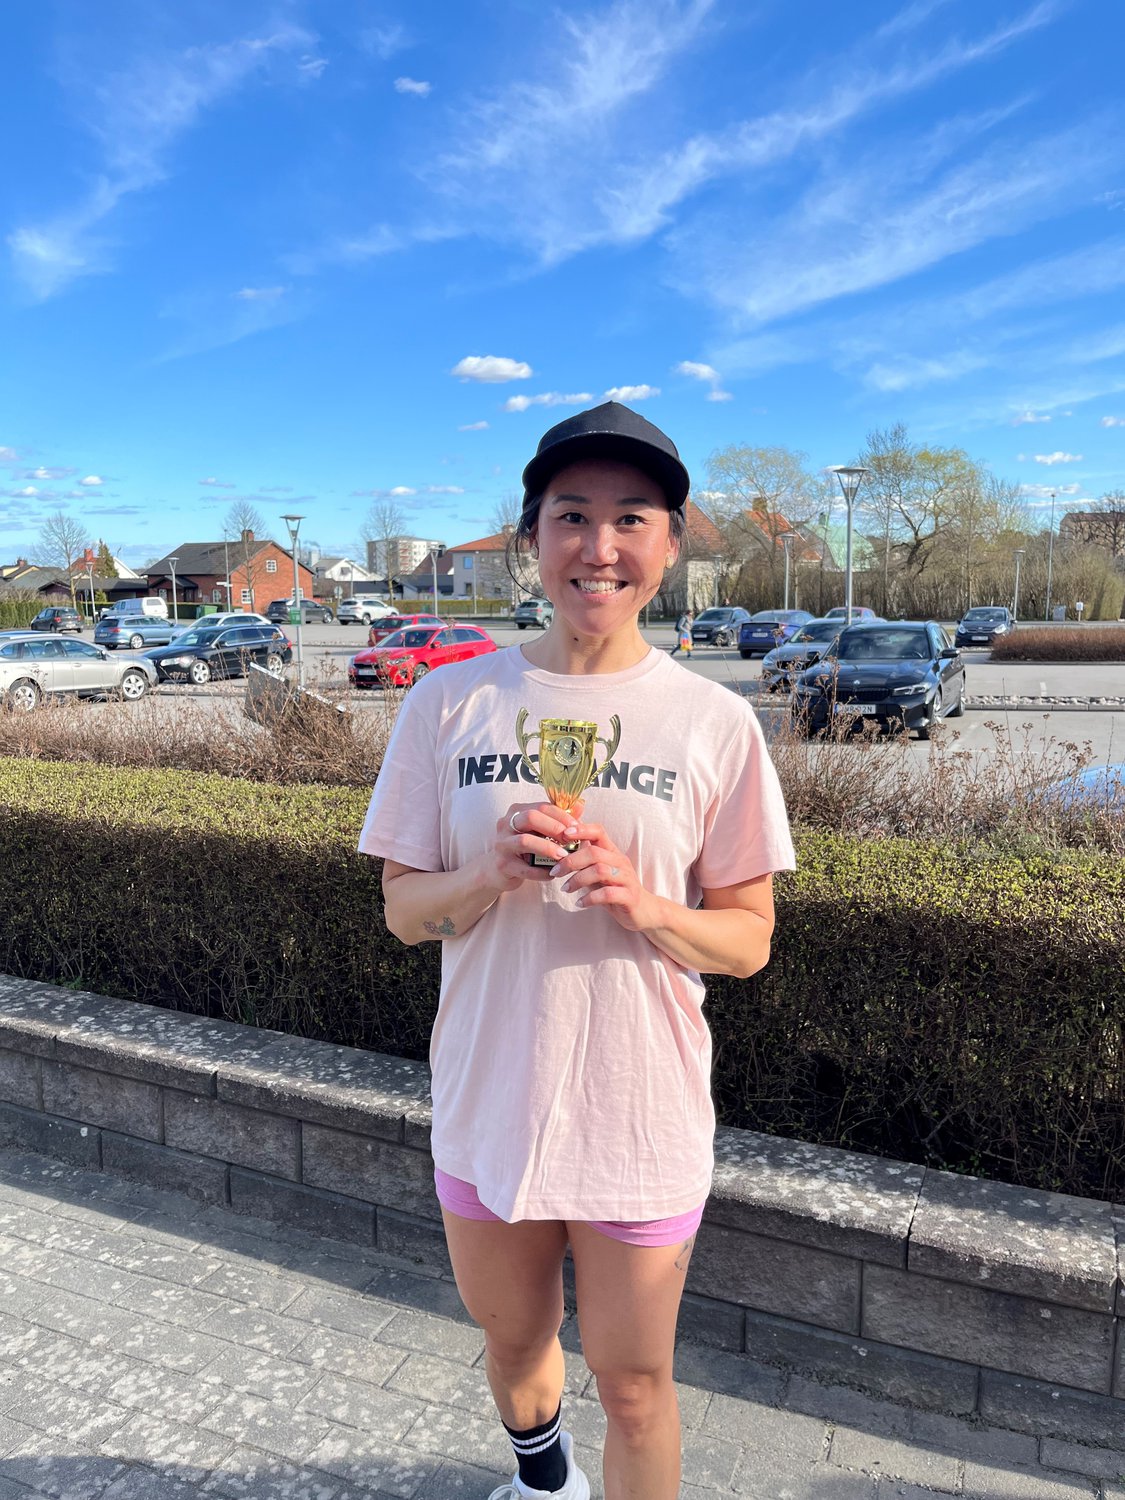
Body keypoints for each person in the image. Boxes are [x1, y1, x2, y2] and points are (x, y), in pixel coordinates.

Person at [358, 401, 795, 1500]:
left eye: (631, 517)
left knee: (636, 1384)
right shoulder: (450, 703)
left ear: (671, 545)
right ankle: (542, 1481)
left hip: (639, 1111)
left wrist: (646, 908)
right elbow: (403, 913)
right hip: (487, 1101)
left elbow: (747, 942)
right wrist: (485, 875)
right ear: (532, 538)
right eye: (571, 516)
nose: (600, 546)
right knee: (513, 1344)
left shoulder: (712, 722)